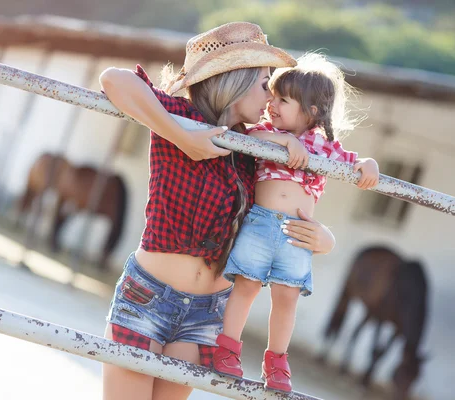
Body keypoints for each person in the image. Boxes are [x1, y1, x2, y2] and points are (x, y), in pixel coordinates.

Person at [99, 23, 338, 400]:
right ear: (235, 78)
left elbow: (281, 208)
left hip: (207, 314)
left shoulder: (255, 150)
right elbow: (115, 80)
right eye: (264, 84)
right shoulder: (178, 114)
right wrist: (182, 136)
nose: (270, 98)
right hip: (149, 297)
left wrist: (322, 239)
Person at [212, 53, 380, 393]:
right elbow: (244, 139)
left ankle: (276, 362)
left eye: (283, 100)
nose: (272, 104)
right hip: (260, 223)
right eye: (271, 96)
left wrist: (371, 164)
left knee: (287, 298)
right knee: (245, 286)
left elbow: (355, 163)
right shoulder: (266, 132)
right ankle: (226, 349)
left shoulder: (325, 146)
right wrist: (283, 140)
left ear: (311, 111)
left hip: (298, 233)